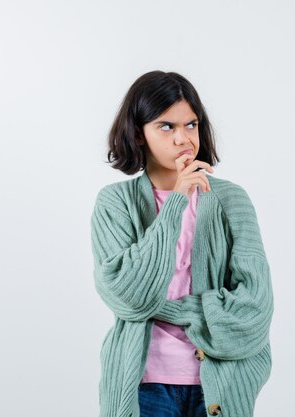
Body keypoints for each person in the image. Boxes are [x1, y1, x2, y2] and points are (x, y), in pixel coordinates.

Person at [90, 70, 274, 417]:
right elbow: (128, 296)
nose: (183, 139)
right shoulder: (114, 203)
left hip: (219, 384)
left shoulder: (231, 201)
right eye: (166, 126)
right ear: (139, 134)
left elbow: (256, 307)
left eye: (191, 125)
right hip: (142, 386)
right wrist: (176, 201)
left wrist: (173, 310)